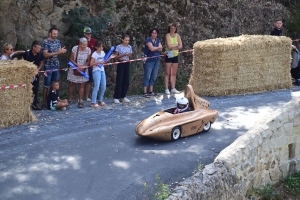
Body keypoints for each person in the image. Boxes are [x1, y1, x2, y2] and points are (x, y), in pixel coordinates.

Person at [42, 26, 67, 109]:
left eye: (56, 34)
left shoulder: (58, 42)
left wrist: (61, 52)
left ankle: (54, 100)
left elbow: (58, 53)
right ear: (50, 33)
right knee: (46, 85)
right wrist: (57, 52)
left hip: (56, 65)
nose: (55, 35)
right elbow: (45, 55)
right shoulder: (45, 42)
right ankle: (44, 102)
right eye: (54, 34)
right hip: (48, 66)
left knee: (55, 84)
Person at [90, 41, 115, 108]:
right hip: (96, 71)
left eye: (102, 46)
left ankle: (100, 100)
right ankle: (93, 102)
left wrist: (110, 58)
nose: (101, 48)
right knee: (96, 86)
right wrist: (98, 62)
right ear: (96, 47)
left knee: (103, 86)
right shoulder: (94, 54)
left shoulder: (103, 53)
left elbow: (104, 61)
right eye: (99, 47)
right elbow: (91, 64)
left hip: (102, 70)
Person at [67, 37, 91, 108]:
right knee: (71, 83)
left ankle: (80, 101)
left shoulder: (88, 50)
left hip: (83, 69)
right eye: (83, 45)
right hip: (74, 67)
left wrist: (83, 67)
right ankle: (69, 99)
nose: (84, 46)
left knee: (81, 85)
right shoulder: (75, 48)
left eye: (86, 45)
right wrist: (77, 66)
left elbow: (88, 61)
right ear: (80, 44)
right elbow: (71, 59)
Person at [77, 27, 97, 102]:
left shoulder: (94, 41)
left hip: (90, 63)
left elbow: (96, 50)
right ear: (84, 34)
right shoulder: (79, 41)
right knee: (81, 81)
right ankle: (80, 98)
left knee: (89, 80)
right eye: (87, 34)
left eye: (90, 34)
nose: (89, 35)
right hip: (81, 62)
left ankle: (87, 96)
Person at [23, 40, 44, 110]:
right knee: (27, 89)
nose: (39, 49)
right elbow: (22, 63)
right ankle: (26, 104)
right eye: (38, 48)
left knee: (35, 89)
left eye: (40, 48)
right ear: (33, 48)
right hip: (27, 74)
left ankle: (34, 104)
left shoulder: (40, 54)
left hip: (36, 74)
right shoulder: (27, 53)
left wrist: (38, 69)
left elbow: (41, 62)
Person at [143, 28, 163, 97]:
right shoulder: (148, 40)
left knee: (154, 75)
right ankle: (145, 91)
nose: (154, 34)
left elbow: (161, 49)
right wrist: (157, 47)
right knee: (147, 75)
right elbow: (151, 49)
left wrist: (155, 47)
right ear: (150, 33)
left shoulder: (158, 40)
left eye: (155, 33)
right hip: (149, 60)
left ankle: (151, 90)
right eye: (153, 33)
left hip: (156, 60)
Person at [164, 23, 183, 95]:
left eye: (174, 28)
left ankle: (173, 88)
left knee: (174, 73)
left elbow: (181, 46)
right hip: (169, 55)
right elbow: (169, 46)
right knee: (167, 73)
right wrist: (176, 46)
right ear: (169, 28)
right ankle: (166, 88)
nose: (172, 30)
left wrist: (174, 46)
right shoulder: (167, 35)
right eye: (171, 28)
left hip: (175, 55)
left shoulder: (177, 35)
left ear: (176, 29)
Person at [113, 34, 132, 104]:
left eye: (128, 40)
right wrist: (123, 55)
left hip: (127, 63)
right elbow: (116, 56)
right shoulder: (119, 47)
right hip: (121, 63)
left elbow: (131, 55)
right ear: (122, 40)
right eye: (126, 40)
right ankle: (116, 97)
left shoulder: (130, 47)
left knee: (126, 80)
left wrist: (129, 55)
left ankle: (123, 96)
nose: (127, 42)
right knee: (119, 80)